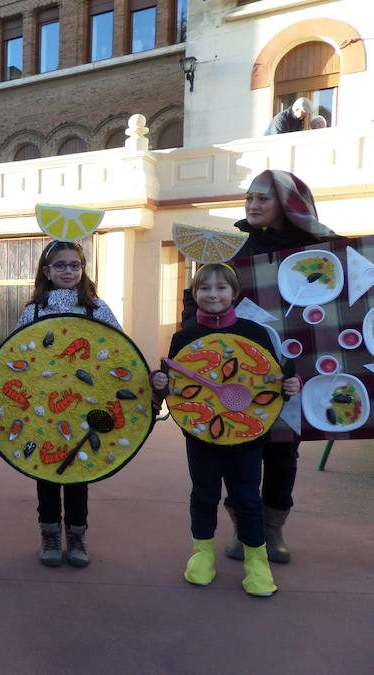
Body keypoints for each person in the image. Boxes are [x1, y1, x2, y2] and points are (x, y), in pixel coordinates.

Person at [180, 169, 340, 564]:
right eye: (249, 197)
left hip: (292, 367)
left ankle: (272, 530)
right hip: (234, 371)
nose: (252, 205)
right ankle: (242, 530)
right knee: (237, 443)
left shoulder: (318, 249)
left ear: (286, 205)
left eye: (262, 199)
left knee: (283, 451)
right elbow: (196, 295)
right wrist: (194, 337)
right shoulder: (228, 245)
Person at [152, 264, 301, 597]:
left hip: (246, 435)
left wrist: (292, 383)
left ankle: (256, 563)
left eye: (221, 288)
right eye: (205, 288)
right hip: (200, 433)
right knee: (203, 495)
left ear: (234, 293)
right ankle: (202, 555)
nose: (213, 294)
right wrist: (158, 381)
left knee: (247, 498)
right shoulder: (184, 336)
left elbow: (278, 376)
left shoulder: (256, 333)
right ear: (196, 294)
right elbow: (173, 383)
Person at [14, 240, 121, 568]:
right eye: (60, 265)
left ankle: (76, 534)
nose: (68, 271)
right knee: (45, 471)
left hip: (85, 403)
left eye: (75, 265)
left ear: (83, 268)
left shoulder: (96, 308)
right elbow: (17, 354)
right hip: (44, 405)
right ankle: (49, 532)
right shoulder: (33, 311)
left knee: (79, 468)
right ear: (46, 271)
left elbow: (118, 349)